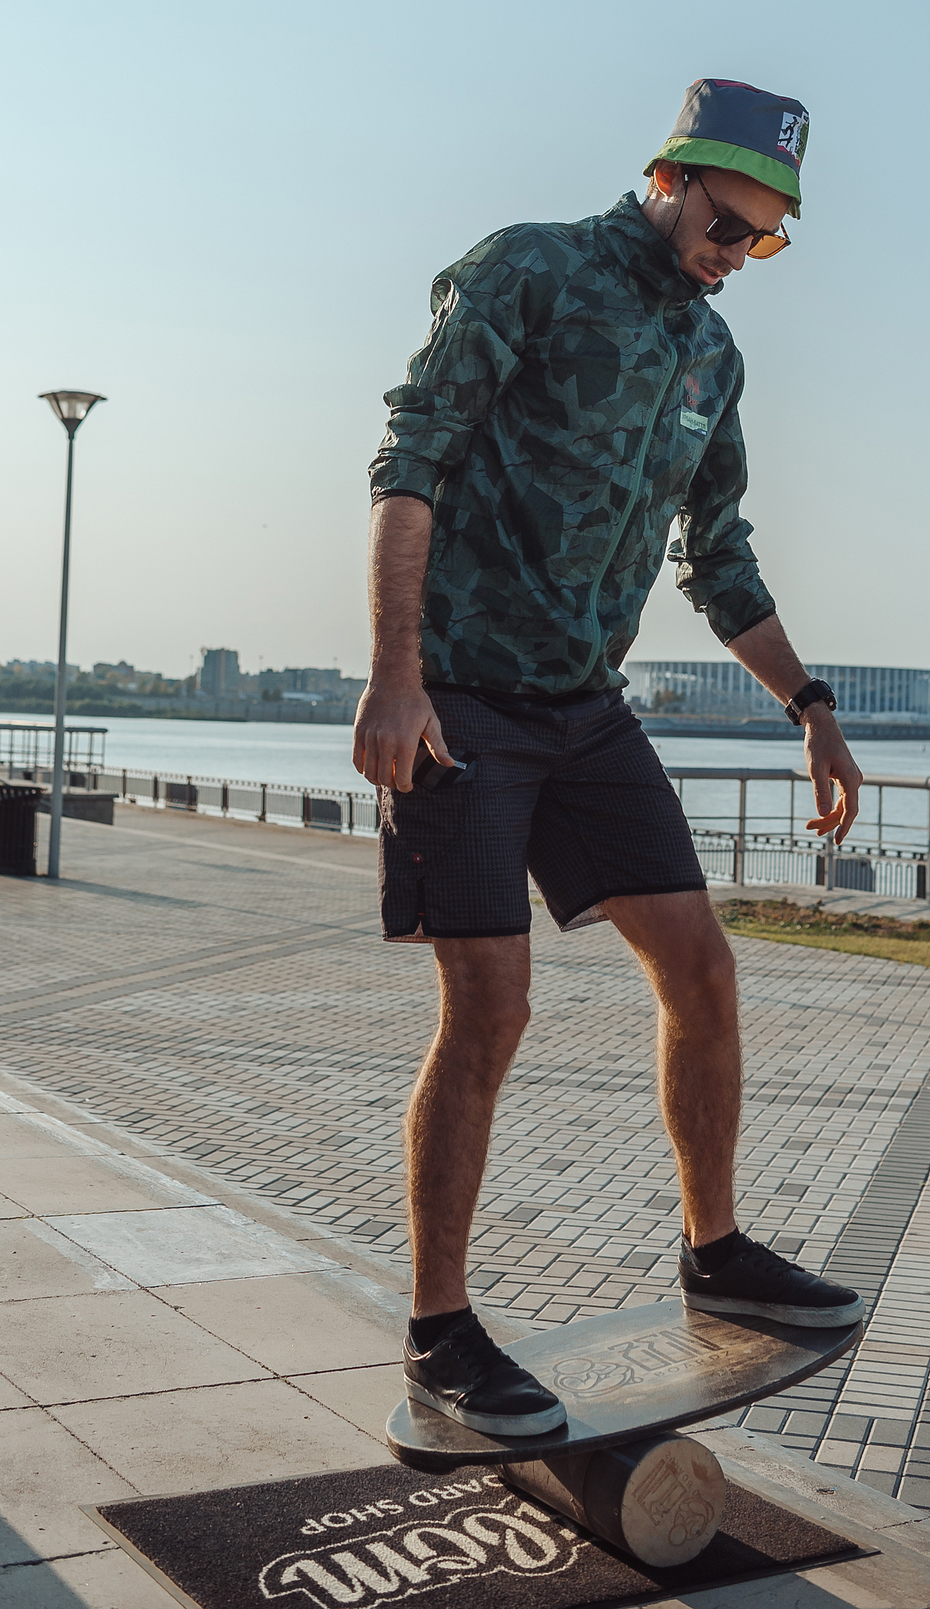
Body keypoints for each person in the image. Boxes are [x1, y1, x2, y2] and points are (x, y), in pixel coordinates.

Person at [354, 78, 865, 1438]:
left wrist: (810, 704)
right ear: (666, 178)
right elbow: (410, 461)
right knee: (491, 1008)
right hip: (461, 702)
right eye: (723, 223)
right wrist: (396, 676)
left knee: (701, 967)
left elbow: (720, 556)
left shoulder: (710, 357)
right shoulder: (529, 269)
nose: (734, 254)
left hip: (586, 712)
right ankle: (441, 1331)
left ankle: (716, 1250)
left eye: (763, 239)